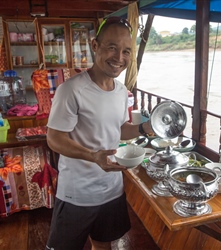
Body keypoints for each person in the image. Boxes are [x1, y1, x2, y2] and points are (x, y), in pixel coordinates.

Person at [45, 16, 153, 250]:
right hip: (77, 192)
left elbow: (120, 129)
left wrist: (146, 127)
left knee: (103, 246)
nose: (119, 58)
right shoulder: (71, 90)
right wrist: (93, 156)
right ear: (95, 46)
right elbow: (54, 138)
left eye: (126, 51)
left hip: (112, 189)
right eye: (112, 48)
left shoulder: (122, 91)